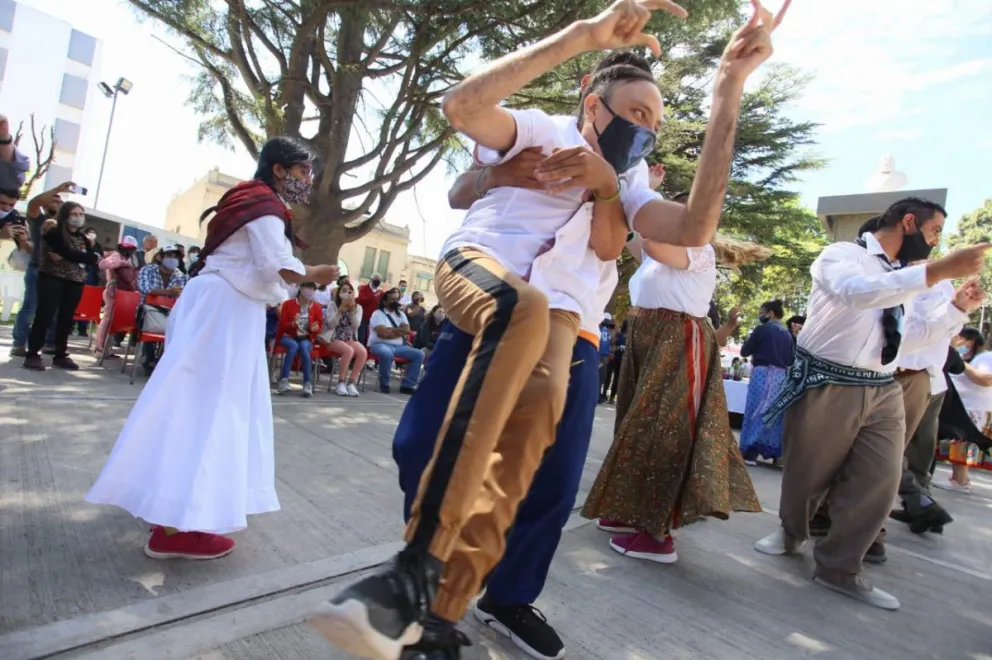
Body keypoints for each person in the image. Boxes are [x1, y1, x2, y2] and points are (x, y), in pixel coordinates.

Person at [317, 2, 790, 657]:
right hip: (485, 290)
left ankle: (470, 604)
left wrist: (727, 90)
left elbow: (693, 229)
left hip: (572, 334)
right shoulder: (538, 131)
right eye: (633, 112)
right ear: (591, 103)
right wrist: (585, 36)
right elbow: (463, 109)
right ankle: (419, 572)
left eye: (654, 120)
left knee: (544, 475)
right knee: (423, 442)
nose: (644, 127)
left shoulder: (625, 185)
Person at [86, 136, 339, 560]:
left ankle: (165, 504)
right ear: (278, 169)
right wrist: (313, 271)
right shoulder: (263, 204)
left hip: (219, 303)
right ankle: (177, 526)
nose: (307, 180)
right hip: (225, 308)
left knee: (189, 402)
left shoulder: (249, 199)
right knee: (212, 408)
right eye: (302, 171)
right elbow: (274, 263)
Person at [754, 198, 988, 611]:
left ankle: (840, 568)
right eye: (934, 232)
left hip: (883, 389)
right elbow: (859, 294)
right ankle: (791, 533)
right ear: (909, 222)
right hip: (828, 381)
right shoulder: (843, 256)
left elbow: (906, 337)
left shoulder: (905, 277)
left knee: (877, 484)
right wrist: (938, 271)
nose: (936, 243)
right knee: (808, 474)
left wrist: (956, 310)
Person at [582, 209, 762, 565]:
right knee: (636, 428)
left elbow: (645, 237)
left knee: (666, 432)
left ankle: (657, 533)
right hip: (648, 341)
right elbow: (632, 240)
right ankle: (632, 509)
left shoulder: (697, 250)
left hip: (676, 342)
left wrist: (639, 197)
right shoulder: (658, 255)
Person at [22, 202, 100, 371]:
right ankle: (33, 354)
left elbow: (84, 256)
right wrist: (81, 257)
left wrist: (74, 257)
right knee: (45, 315)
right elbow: (70, 253)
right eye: (74, 214)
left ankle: (60, 355)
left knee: (66, 319)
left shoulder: (83, 238)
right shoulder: (53, 231)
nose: (78, 217)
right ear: (65, 215)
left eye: (81, 214)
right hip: (52, 277)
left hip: (75, 281)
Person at [8, 182, 74, 356]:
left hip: (58, 272)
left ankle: (49, 344)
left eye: (60, 200)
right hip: (37, 269)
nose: (57, 201)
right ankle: (18, 344)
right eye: (53, 199)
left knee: (54, 310)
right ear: (44, 205)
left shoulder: (65, 227)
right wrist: (57, 189)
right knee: (30, 307)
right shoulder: (39, 220)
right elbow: (33, 205)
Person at [738, 299, 795, 462]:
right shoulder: (788, 335)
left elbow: (744, 351)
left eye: (761, 312)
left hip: (762, 374)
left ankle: (749, 451)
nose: (760, 315)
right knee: (773, 413)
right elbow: (791, 360)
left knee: (755, 410)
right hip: (781, 378)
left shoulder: (762, 329)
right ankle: (771, 451)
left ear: (770, 313)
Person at [939, 328, 992, 491]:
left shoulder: (985, 358)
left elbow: (987, 380)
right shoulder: (961, 357)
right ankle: (959, 478)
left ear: (972, 341)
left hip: (973, 408)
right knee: (958, 443)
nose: (959, 341)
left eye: (961, 338)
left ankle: (961, 480)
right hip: (961, 404)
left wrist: (965, 368)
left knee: (963, 443)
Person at [136, 244, 188, 373]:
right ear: (160, 257)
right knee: (149, 321)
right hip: (148, 311)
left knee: (181, 324)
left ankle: (161, 361)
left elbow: (184, 295)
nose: (173, 259)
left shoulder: (180, 276)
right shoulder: (147, 270)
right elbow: (144, 288)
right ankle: (149, 358)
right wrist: (168, 292)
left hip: (170, 313)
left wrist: (178, 293)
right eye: (169, 255)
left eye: (176, 257)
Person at [367, 287, 424, 394]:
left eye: (396, 299)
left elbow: (407, 330)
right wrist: (398, 332)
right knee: (387, 353)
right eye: (392, 300)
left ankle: (407, 385)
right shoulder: (377, 313)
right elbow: (382, 333)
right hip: (379, 345)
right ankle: (385, 383)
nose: (395, 302)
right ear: (385, 302)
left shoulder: (401, 314)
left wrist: (391, 331)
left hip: (398, 346)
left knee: (419, 354)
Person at [93, 235, 140, 359]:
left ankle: (105, 348)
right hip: (113, 291)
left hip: (123, 293)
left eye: (132, 248)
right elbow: (103, 264)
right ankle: (99, 348)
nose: (129, 250)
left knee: (113, 321)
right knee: (107, 320)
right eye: (127, 247)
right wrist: (121, 263)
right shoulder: (116, 255)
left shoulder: (130, 258)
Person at [274, 281, 323, 397]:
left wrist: (315, 327)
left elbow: (319, 324)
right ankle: (284, 381)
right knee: (294, 346)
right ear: (300, 288)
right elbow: (282, 325)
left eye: (312, 289)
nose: (309, 291)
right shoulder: (288, 304)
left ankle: (307, 383)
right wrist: (292, 324)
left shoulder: (316, 307)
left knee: (304, 348)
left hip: (306, 338)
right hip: (288, 336)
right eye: (307, 287)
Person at [321, 281, 367, 397]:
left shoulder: (358, 308)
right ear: (339, 293)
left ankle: (351, 383)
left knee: (362, 352)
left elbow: (356, 326)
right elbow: (331, 325)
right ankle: (341, 382)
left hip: (349, 338)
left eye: (349, 291)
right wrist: (340, 310)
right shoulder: (332, 305)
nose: (346, 293)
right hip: (332, 337)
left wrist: (351, 311)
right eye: (344, 291)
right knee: (348, 351)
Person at [602, 319, 627, 403]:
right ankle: (604, 393)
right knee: (608, 376)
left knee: (617, 378)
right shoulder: (618, 334)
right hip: (613, 357)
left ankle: (612, 397)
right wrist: (618, 347)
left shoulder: (629, 336)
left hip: (621, 359)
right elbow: (612, 343)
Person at [356, 272, 384, 344]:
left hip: (373, 319)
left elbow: (381, 305)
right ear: (371, 279)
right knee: (361, 338)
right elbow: (361, 301)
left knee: (369, 339)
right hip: (363, 318)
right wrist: (374, 296)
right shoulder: (363, 288)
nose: (377, 282)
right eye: (375, 280)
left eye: (379, 280)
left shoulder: (380, 292)